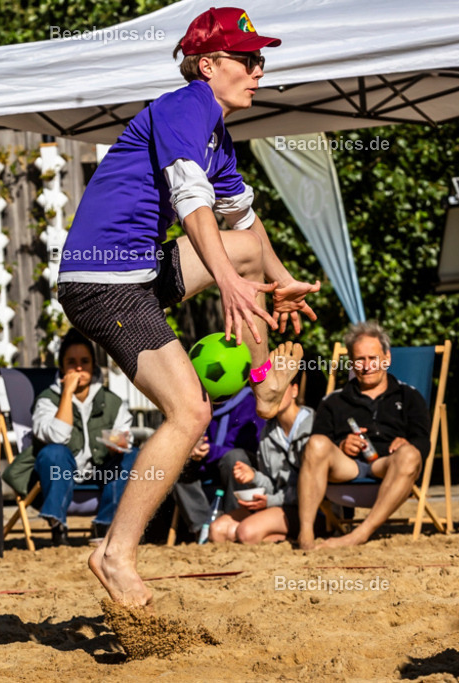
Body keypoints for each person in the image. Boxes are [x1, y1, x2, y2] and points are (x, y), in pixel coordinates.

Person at [55, 7, 318, 608]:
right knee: (191, 413)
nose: (259, 68)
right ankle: (115, 554)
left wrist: (280, 280)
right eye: (247, 59)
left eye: (260, 58)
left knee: (249, 247)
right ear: (208, 65)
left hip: (139, 273)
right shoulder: (185, 106)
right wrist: (225, 280)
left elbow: (242, 221)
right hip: (104, 284)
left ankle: (266, 389)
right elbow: (190, 197)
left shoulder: (216, 131)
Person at [296, 320, 430, 549]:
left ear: (386, 359)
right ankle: (305, 535)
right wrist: (340, 445)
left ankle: (360, 533)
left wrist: (406, 443)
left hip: (387, 464)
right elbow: (317, 444)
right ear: (351, 362)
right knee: (317, 443)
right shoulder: (334, 401)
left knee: (411, 454)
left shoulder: (408, 396)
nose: (366, 366)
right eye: (360, 359)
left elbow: (423, 441)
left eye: (373, 358)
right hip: (347, 466)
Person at [1, 329, 134, 546]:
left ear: (93, 366)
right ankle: (58, 524)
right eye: (72, 362)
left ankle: (105, 523)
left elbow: (124, 439)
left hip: (101, 478)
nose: (79, 368)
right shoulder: (46, 401)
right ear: (62, 367)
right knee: (54, 451)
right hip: (55, 482)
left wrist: (117, 445)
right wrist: (66, 394)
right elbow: (58, 436)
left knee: (135, 455)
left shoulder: (112, 402)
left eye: (85, 361)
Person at [209, 374, 322, 544]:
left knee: (246, 532)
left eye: (277, 389)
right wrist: (254, 477)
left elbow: (315, 489)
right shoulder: (268, 432)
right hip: (277, 506)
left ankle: (288, 541)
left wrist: (270, 501)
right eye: (264, 391)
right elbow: (272, 484)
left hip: (311, 510)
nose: (270, 396)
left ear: (294, 390)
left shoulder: (315, 427)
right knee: (218, 530)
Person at [172, 386, 265, 538]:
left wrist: (209, 450)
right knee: (176, 463)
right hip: (205, 462)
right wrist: (192, 448)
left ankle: (233, 522)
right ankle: (202, 529)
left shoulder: (248, 402)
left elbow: (243, 449)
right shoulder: (196, 401)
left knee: (234, 459)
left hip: (236, 465)